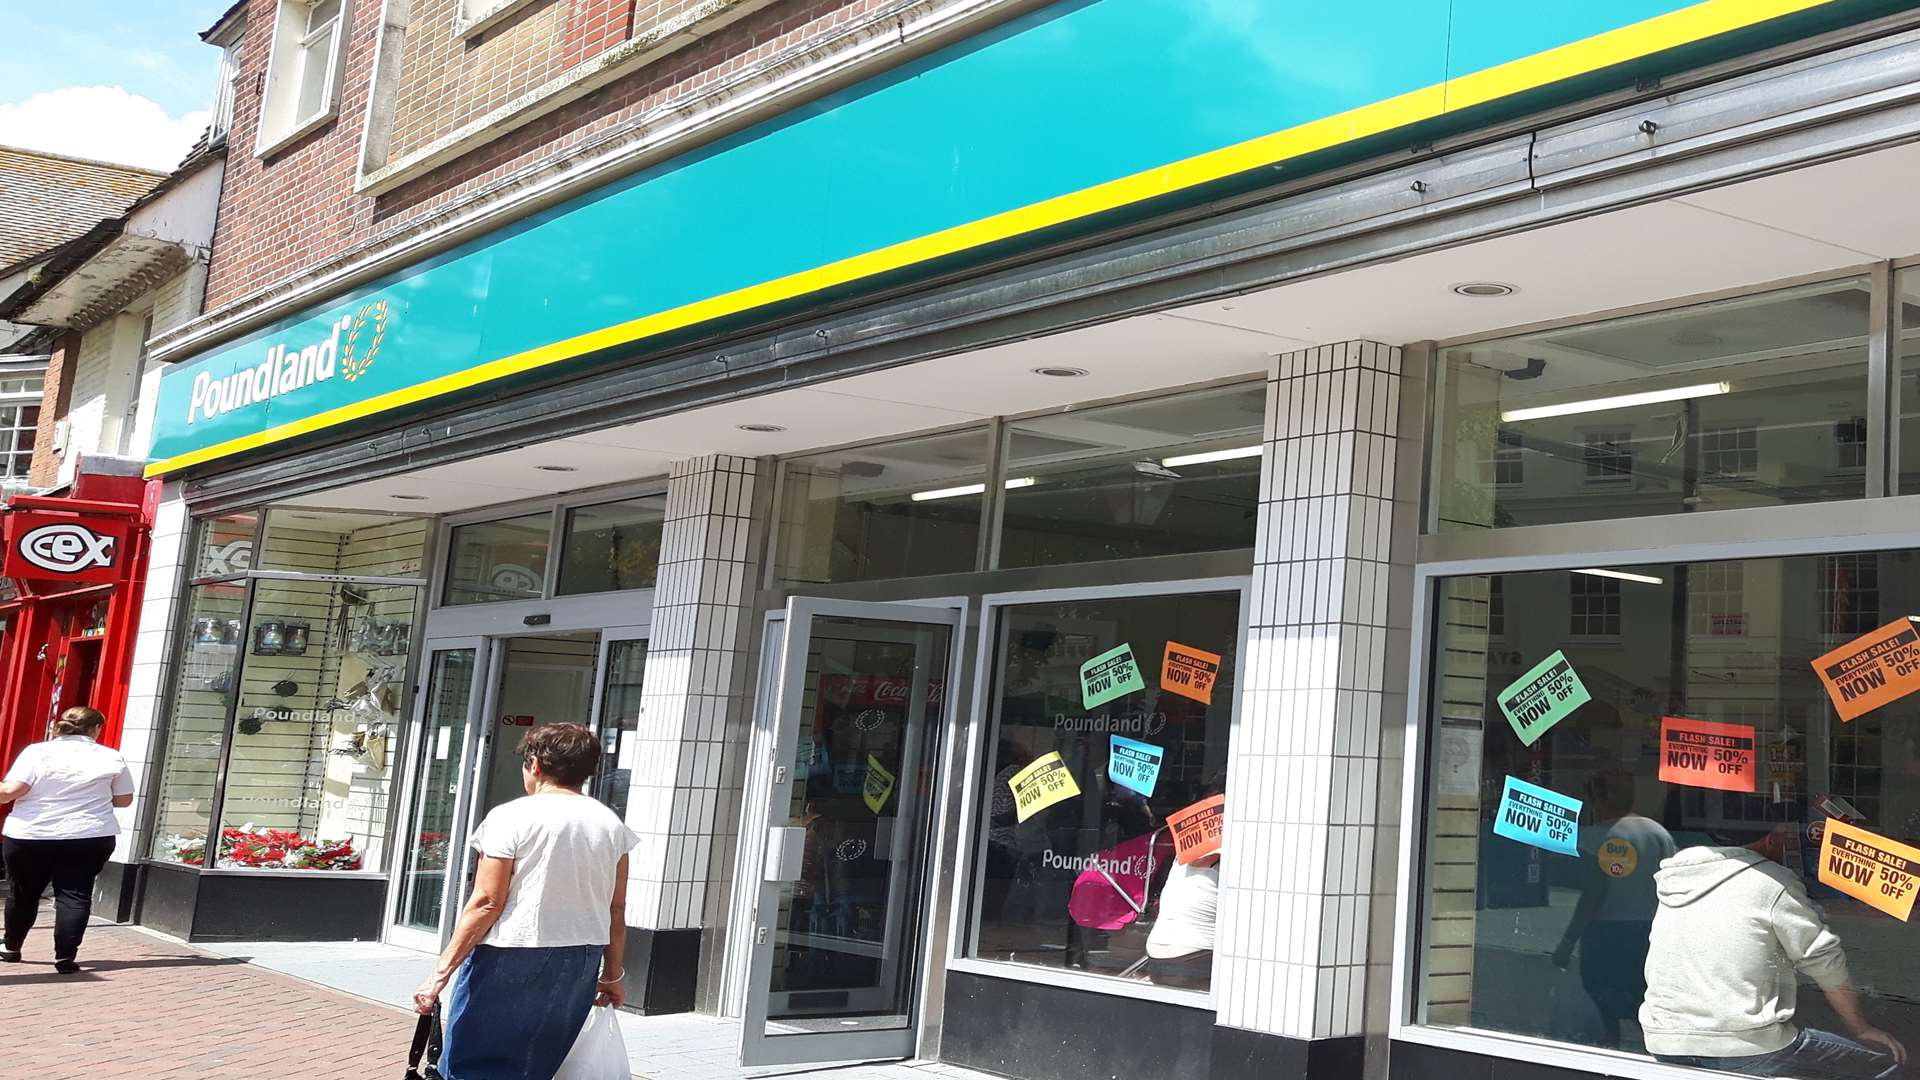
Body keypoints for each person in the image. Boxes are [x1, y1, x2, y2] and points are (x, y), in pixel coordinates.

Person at [413, 723, 639, 1080]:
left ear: (534, 764)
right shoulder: (611, 825)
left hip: (512, 950)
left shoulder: (510, 817)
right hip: (580, 958)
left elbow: (487, 900)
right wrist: (612, 974)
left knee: (471, 1064)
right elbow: (616, 908)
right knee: (537, 1064)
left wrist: (439, 975)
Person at [1640, 804, 1907, 1078]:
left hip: (1665, 1042)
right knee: (1888, 1062)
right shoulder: (1771, 881)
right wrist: (1861, 1028)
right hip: (1743, 1047)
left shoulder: (1676, 880)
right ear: (1772, 838)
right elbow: (1825, 962)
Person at [0, 706, 134, 974]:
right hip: (90, 834)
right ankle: (65, 957)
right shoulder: (110, 756)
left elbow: (11, 791)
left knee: (24, 892)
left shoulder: (37, 752)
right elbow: (124, 799)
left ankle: (11, 947)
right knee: (75, 894)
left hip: (32, 834)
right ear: (96, 729)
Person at [1552, 768, 1676, 1048]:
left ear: (1597, 798)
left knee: (1602, 994)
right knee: (1638, 994)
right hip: (1647, 930)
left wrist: (1567, 942)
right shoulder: (1657, 832)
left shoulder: (1597, 837)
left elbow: (1592, 896)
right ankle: (1651, 1049)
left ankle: (1611, 1045)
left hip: (1606, 932)